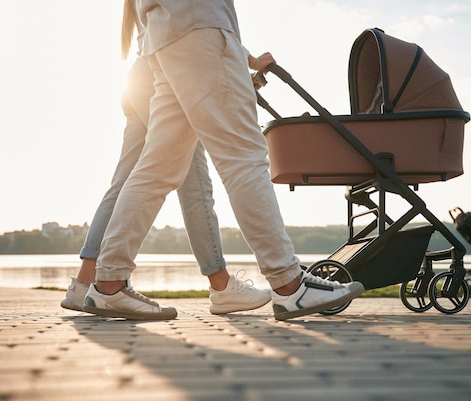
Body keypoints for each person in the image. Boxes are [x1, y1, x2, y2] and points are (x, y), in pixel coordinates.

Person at [83, 0, 365, 321]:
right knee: (243, 158)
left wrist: (242, 57)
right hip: (200, 27)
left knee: (157, 169)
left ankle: (109, 282)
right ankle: (289, 284)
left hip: (163, 38)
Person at [60, 5, 273, 317]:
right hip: (166, 69)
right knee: (193, 182)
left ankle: (84, 283)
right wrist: (251, 61)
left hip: (138, 77)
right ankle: (221, 284)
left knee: (128, 181)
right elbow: (197, 19)